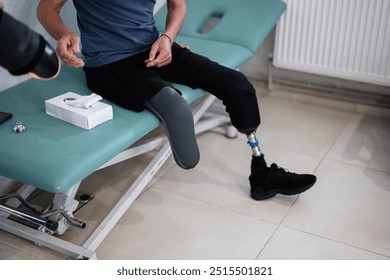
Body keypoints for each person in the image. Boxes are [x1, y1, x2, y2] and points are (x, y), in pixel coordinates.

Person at [37, 0, 316, 200]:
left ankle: (261, 172)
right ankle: (190, 161)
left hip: (156, 50)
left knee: (238, 85)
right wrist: (63, 34)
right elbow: (46, 8)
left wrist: (168, 38)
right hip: (109, 65)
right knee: (175, 106)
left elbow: (177, 6)